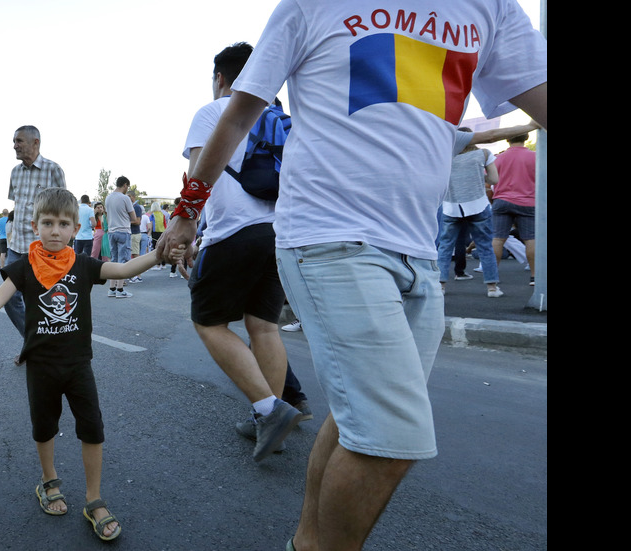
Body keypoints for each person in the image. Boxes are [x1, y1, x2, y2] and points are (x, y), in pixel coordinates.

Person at [156, 2, 546, 548]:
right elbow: (240, 112)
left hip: (417, 254)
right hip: (326, 236)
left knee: (354, 417)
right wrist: (185, 211)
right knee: (391, 435)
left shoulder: (490, 7)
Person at [0, 188, 186, 542]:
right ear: (35, 225)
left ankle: (93, 498)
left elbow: (126, 266)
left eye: (63, 224)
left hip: (78, 364)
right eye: (48, 223)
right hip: (40, 365)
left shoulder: (83, 266)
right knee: (44, 427)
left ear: (75, 228)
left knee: (93, 428)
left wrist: (160, 254)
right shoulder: (23, 268)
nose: (55, 230)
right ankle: (49, 480)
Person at [175, 41, 307, 461]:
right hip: (279, 233)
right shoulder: (282, 117)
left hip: (234, 231)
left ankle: (268, 410)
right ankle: (267, 422)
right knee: (263, 326)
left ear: (220, 78)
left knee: (209, 322)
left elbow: (201, 173)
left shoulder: (214, 111)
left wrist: (186, 228)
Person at [439, 121, 541, 297]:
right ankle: (493, 287)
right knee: (487, 245)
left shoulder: (445, 157)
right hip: (481, 204)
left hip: (452, 207)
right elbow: (494, 180)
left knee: (446, 247)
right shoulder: (484, 154)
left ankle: (440, 286)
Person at [4, 124, 67, 339]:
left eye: (19, 141)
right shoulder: (15, 173)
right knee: (9, 298)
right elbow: (17, 206)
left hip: (41, 248)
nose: (15, 146)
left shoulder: (53, 170)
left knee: (41, 298)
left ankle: (46, 346)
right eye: (14, 141)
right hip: (16, 246)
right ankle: (31, 340)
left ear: (35, 142)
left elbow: (64, 208)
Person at [492, 131, 538, 286]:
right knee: (530, 239)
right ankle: (534, 276)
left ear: (507, 139)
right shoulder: (535, 156)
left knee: (498, 239)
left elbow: (487, 180)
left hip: (502, 201)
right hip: (528, 202)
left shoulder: (498, 158)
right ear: (526, 138)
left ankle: (492, 276)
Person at [104, 176, 138, 297]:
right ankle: (120, 289)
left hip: (111, 231)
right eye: (127, 186)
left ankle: (111, 288)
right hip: (123, 231)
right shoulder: (125, 198)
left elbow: (107, 216)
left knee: (114, 260)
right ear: (124, 185)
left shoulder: (107, 198)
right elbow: (134, 218)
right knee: (122, 261)